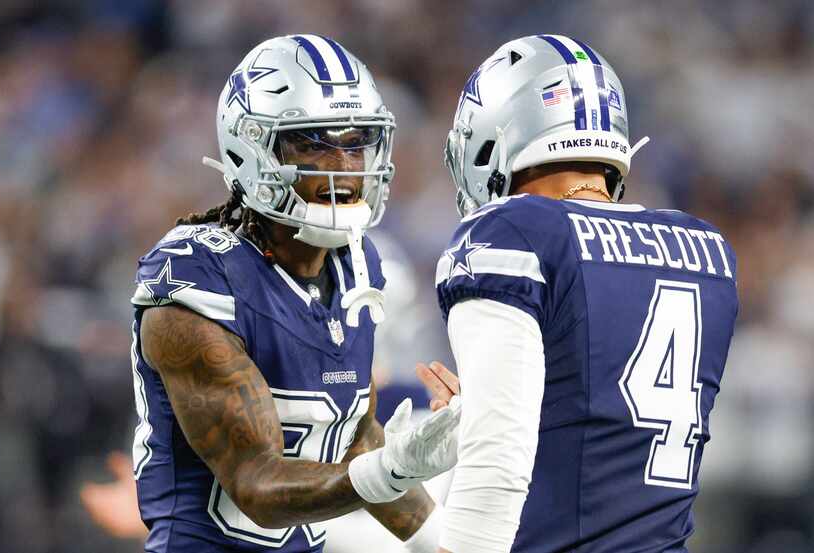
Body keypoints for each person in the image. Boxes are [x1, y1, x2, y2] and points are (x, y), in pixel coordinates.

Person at [130, 34, 459, 553]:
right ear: (251, 146)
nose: (346, 166)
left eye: (357, 142)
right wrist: (391, 468)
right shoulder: (199, 281)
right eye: (314, 142)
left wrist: (444, 543)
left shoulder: (359, 266)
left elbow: (351, 436)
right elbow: (257, 486)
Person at [420, 34, 739, 552]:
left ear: (496, 134)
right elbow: (607, 426)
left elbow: (497, 462)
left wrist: (487, 426)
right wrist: (489, 407)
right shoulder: (706, 248)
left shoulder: (513, 231)